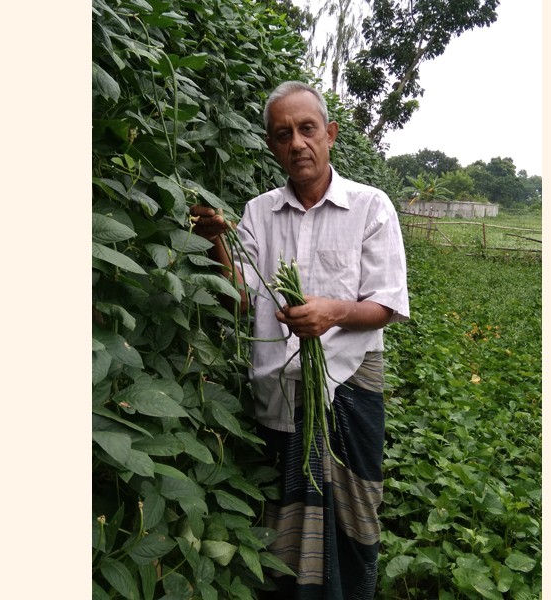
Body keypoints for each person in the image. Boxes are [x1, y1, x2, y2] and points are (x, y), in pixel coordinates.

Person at [190, 80, 409, 599]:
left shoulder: (370, 207)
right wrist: (216, 240)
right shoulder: (258, 213)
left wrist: (333, 312)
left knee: (353, 506)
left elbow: (386, 304)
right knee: (288, 512)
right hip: (281, 388)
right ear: (272, 146)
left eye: (307, 129)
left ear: (329, 134)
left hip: (350, 380)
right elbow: (240, 299)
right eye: (283, 134)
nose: (297, 143)